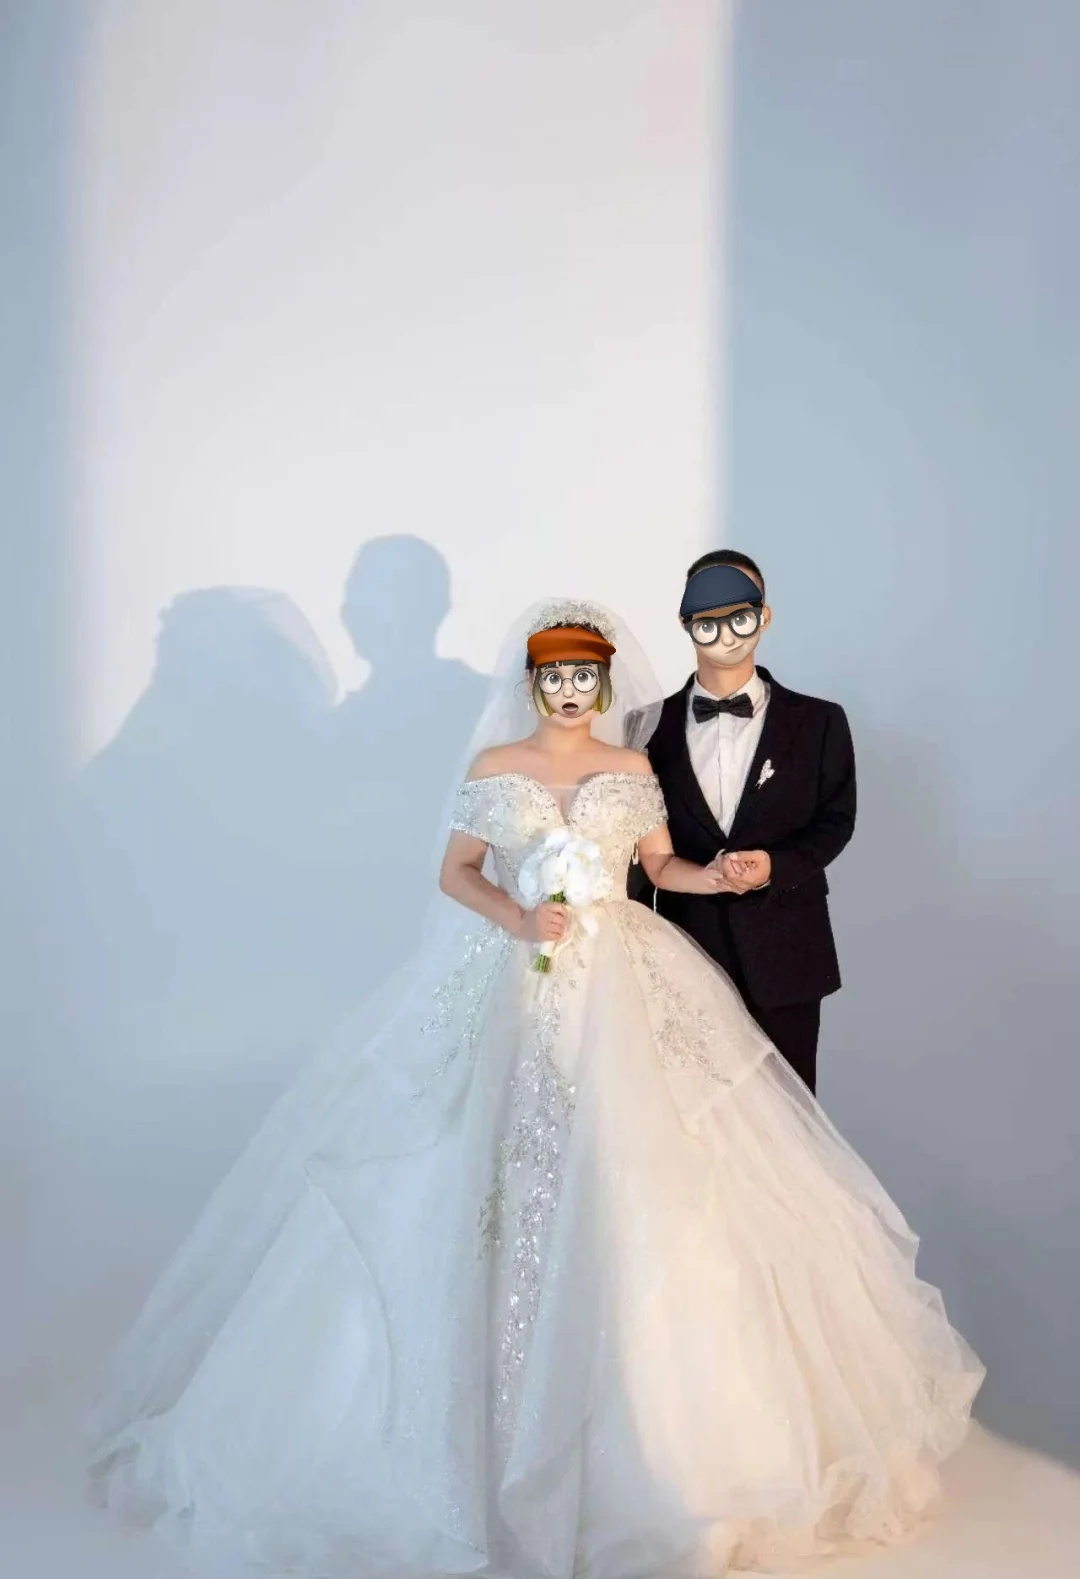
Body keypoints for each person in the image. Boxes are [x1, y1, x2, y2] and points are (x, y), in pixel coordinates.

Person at [87, 599, 982, 1579]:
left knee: (653, 1166)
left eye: (583, 676)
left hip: (622, 980)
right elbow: (456, 871)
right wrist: (518, 918)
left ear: (602, 683)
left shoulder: (632, 769)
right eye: (554, 676)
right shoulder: (495, 767)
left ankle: (658, 1448)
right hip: (518, 976)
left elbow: (657, 866)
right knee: (476, 1168)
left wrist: (721, 878)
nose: (569, 691)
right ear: (534, 683)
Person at [636, 552, 855, 1093]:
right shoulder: (646, 727)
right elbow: (631, 844)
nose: (726, 628)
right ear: (687, 621)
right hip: (684, 951)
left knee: (791, 1115)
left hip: (788, 954)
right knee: (694, 1115)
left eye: (740, 609)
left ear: (764, 614)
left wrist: (774, 867)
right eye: (708, 612)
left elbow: (835, 822)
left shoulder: (820, 721)